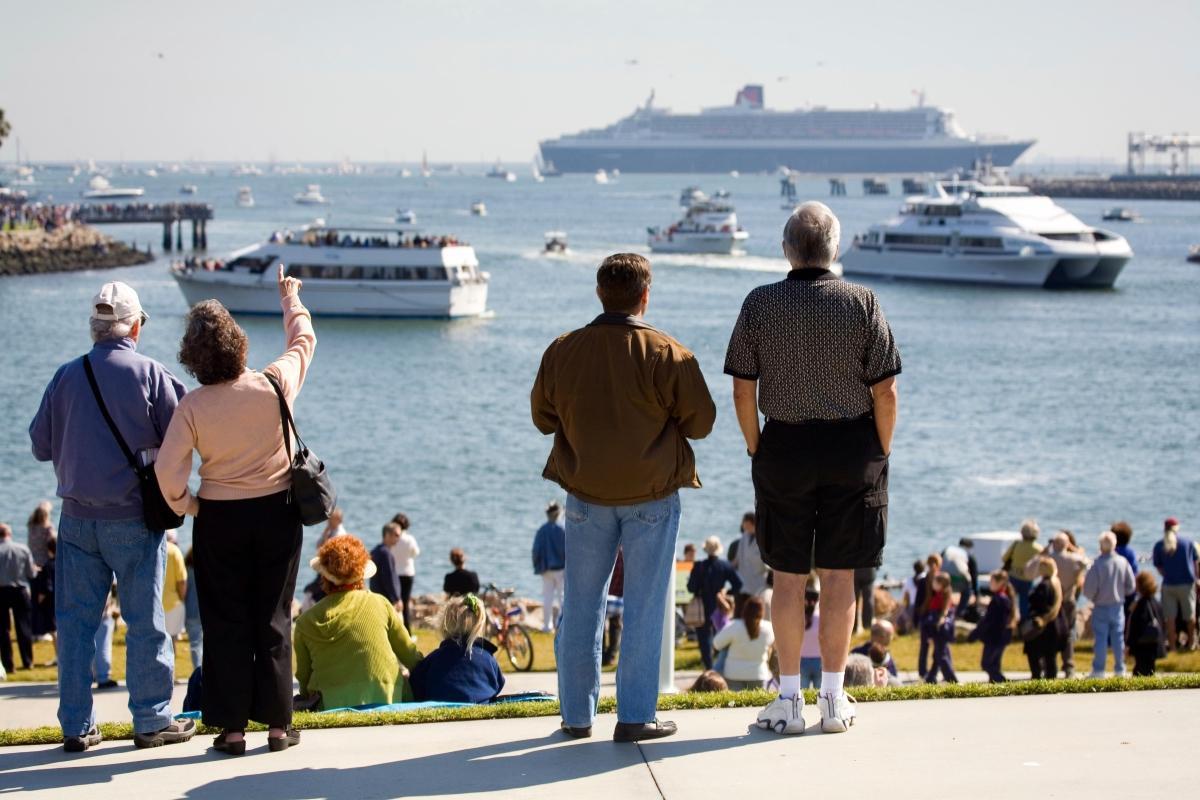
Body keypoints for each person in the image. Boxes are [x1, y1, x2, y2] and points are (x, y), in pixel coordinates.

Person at [725, 203, 901, 735]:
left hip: (784, 445)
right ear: (836, 249)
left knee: (787, 576)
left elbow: (741, 387)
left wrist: (757, 446)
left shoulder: (760, 303)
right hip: (853, 446)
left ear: (786, 250)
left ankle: (787, 700)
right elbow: (886, 390)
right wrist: (881, 449)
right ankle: (832, 697)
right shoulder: (862, 301)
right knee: (840, 573)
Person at [532, 252, 716, 742]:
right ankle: (635, 716)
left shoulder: (563, 350)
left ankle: (575, 716)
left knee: (582, 605)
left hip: (586, 496)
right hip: (651, 495)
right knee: (645, 604)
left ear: (599, 293)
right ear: (645, 295)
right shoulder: (669, 354)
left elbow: (542, 418)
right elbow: (702, 423)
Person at [155, 264, 315, 754]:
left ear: (193, 357)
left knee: (225, 621)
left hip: (220, 518)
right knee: (273, 616)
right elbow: (303, 342)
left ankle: (231, 730)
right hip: (276, 512)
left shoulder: (193, 406)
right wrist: (290, 300)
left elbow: (167, 472)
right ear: (239, 342)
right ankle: (277, 726)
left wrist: (189, 504)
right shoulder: (272, 384)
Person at [28, 280, 193, 752]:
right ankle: (151, 719)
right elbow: (185, 435)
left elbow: (40, 445)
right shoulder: (151, 374)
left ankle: (77, 727)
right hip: (134, 520)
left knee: (77, 626)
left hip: (76, 519)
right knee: (145, 621)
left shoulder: (65, 375)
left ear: (95, 328)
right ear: (135, 326)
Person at [294, 536, 421, 714]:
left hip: (328, 704)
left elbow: (304, 678)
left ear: (324, 576)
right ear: (361, 575)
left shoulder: (305, 621)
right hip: (387, 697)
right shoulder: (381, 604)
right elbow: (410, 656)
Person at [409, 594, 505, 703]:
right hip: (480, 713)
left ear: (445, 625)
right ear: (478, 625)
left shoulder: (433, 660)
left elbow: (415, 687)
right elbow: (498, 686)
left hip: (439, 712)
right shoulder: (489, 660)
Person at [1033, 531, 1088, 678]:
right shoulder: (1073, 560)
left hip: (1051, 602)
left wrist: (1044, 550)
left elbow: (1030, 566)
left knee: (1047, 634)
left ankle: (1047, 665)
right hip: (1068, 601)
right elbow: (1086, 562)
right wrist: (1074, 549)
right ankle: (1069, 666)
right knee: (1068, 634)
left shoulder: (1048, 559)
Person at [1083, 531, 1136, 677]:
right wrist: (1121, 593)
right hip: (1117, 605)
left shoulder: (1097, 564)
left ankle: (1099, 670)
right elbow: (1131, 586)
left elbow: (1088, 589)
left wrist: (1094, 597)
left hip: (1100, 605)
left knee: (1100, 639)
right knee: (1118, 638)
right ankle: (1120, 669)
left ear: (1101, 546)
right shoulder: (1122, 562)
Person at [688, 537, 743, 670]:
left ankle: (709, 668)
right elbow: (738, 584)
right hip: (719, 606)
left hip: (702, 606)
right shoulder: (725, 565)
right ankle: (720, 666)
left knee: (704, 639)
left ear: (706, 550)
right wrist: (726, 592)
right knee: (721, 635)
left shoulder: (699, 566)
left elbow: (691, 587)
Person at [1152, 517, 1198, 652]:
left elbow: (1159, 566)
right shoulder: (1188, 543)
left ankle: (1172, 647)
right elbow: (1195, 563)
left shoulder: (1159, 545)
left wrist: (1166, 575)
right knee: (1190, 616)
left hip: (1169, 584)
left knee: (1170, 618)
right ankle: (1191, 644)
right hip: (1187, 584)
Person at [712, 596, 774, 690]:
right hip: (758, 674)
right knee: (758, 704)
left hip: (733, 674)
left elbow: (716, 643)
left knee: (734, 704)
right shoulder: (769, 628)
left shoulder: (734, 625)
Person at [0, 523, 37, 674]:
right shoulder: (22, 549)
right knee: (23, 627)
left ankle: (9, 665)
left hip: (1, 591)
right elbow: (31, 573)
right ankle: (28, 661)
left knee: (3, 630)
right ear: (9, 534)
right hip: (20, 590)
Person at [968, 570, 1017, 682]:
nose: (990, 583)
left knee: (987, 664)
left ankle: (1002, 682)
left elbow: (988, 620)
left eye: (992, 581)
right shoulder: (1003, 598)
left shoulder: (999, 600)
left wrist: (975, 634)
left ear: (1000, 582)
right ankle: (996, 684)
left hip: (995, 637)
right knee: (994, 665)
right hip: (1000, 637)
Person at [1024, 557, 1064, 680]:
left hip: (1043, 626)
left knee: (1034, 653)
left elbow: (1037, 602)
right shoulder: (1056, 582)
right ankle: (1051, 679)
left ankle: (1037, 677)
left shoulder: (1043, 585)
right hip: (1055, 624)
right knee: (1050, 656)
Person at [532, 501, 566, 633]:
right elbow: (568, 550)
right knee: (562, 597)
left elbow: (536, 551)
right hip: (561, 569)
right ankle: (562, 625)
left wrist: (537, 566)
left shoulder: (542, 530)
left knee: (547, 598)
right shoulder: (563, 529)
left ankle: (547, 626)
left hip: (546, 569)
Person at [1125, 571, 1167, 677]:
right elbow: (1163, 625)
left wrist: (1129, 645)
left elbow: (1135, 628)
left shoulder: (1140, 605)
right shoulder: (1157, 604)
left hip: (1142, 647)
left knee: (1139, 672)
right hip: (1154, 645)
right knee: (1150, 670)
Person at [1003, 520, 1044, 619]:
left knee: (1009, 601)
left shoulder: (1016, 544)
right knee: (1024, 603)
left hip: (1013, 576)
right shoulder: (1039, 549)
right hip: (1028, 579)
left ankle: (1006, 620)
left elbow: (1004, 558)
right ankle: (1024, 624)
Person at [729, 512, 769, 613]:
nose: (743, 525)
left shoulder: (763, 537)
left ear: (752, 523)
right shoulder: (744, 537)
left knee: (756, 612)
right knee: (740, 611)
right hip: (743, 581)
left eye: (745, 523)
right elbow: (737, 558)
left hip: (759, 583)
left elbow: (769, 562)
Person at [922, 573, 958, 683]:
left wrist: (930, 632)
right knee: (937, 655)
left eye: (935, 582)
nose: (932, 584)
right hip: (941, 632)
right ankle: (931, 678)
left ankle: (951, 679)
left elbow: (937, 616)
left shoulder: (940, 598)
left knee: (941, 656)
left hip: (939, 632)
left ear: (940, 584)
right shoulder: (942, 595)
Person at [388, 513, 420, 630]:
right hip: (407, 573)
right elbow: (416, 553)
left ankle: (393, 628)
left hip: (395, 573)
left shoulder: (392, 539)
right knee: (405, 604)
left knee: (394, 602)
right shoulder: (409, 539)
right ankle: (407, 631)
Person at [916, 554, 942, 677]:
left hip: (925, 616)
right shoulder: (942, 580)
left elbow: (917, 602)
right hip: (936, 617)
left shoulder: (922, 581)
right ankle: (935, 671)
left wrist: (915, 619)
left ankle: (923, 672)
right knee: (940, 647)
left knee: (924, 646)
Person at [31, 537, 57, 657]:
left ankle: (59, 656)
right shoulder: (65, 562)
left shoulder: (48, 565)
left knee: (54, 630)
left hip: (51, 602)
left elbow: (47, 586)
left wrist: (39, 600)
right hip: (65, 598)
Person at [370, 523, 404, 608]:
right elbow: (389, 577)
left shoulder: (375, 551)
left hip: (376, 596)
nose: (399, 538)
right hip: (386, 599)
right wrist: (396, 598)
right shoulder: (386, 554)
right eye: (396, 535)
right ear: (387, 535)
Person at [942, 538, 978, 618]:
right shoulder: (968, 556)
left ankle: (942, 609)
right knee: (967, 589)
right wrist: (976, 595)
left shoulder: (948, 549)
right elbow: (974, 577)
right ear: (969, 547)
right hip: (958, 582)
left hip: (943, 580)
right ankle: (959, 613)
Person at [162, 533, 188, 640]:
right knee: (171, 642)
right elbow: (181, 581)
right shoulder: (175, 551)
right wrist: (182, 599)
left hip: (153, 603)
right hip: (173, 603)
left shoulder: (153, 547)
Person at [93, 584, 119, 689]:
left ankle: (93, 673)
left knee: (90, 643)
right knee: (103, 644)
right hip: (103, 610)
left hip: (88, 607)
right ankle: (103, 676)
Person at [799, 579, 822, 689]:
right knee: (820, 691)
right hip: (819, 659)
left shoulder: (800, 617)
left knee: (803, 691)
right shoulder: (821, 617)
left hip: (803, 659)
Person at [602, 551, 624, 667]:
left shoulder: (607, 555)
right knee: (615, 626)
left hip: (605, 597)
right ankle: (611, 655)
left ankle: (602, 654)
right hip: (618, 598)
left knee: (599, 626)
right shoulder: (623, 556)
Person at [183, 548, 202, 672]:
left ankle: (198, 670)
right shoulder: (207, 571)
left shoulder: (187, 571)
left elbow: (183, 593)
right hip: (205, 611)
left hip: (191, 611)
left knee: (195, 643)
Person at [27, 501, 56, 568]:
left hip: (32, 560)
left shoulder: (31, 526)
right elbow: (54, 542)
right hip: (44, 561)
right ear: (47, 515)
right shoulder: (48, 528)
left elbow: (32, 517)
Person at [853, 566, 877, 632]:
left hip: (854, 570)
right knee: (869, 599)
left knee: (852, 601)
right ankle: (867, 627)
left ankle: (853, 628)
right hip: (869, 568)